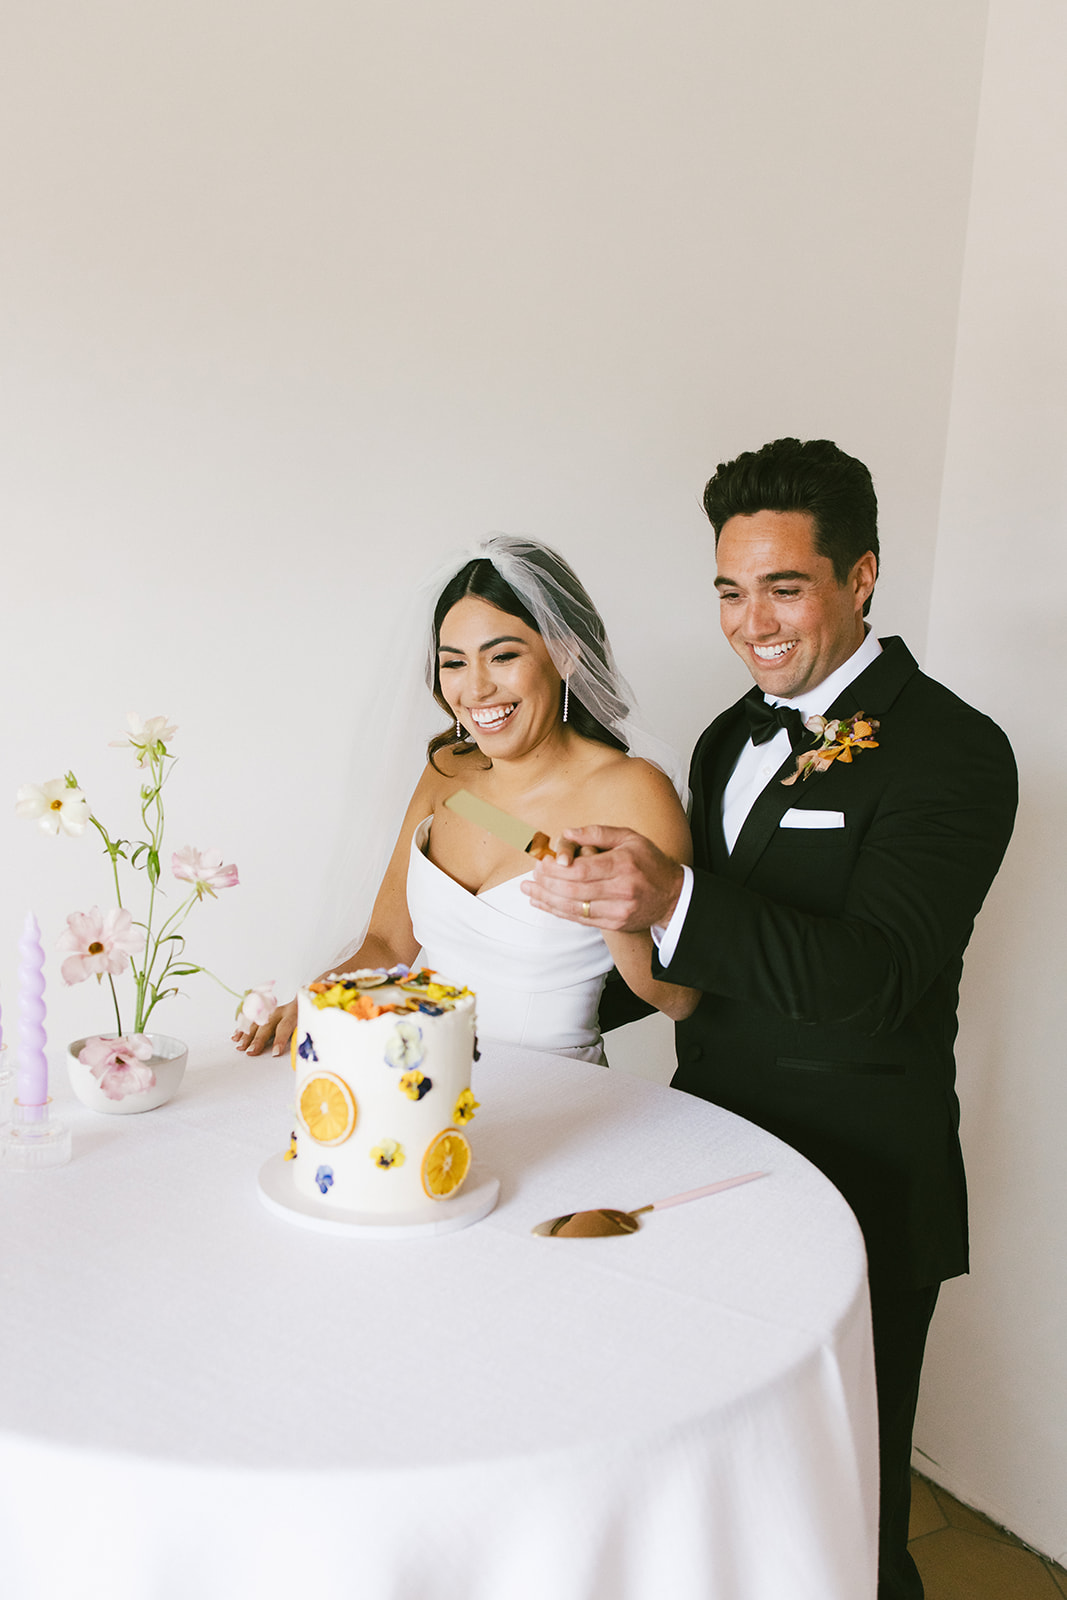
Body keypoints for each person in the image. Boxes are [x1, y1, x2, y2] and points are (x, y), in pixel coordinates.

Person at [523, 438, 1017, 1600]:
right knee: (720, 1483)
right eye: (729, 591)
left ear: (861, 577)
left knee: (844, 1504)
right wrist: (518, 1002)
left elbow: (880, 975)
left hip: (864, 1179)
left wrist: (673, 895)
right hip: (707, 1159)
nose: (751, 623)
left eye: (783, 587)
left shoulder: (956, 751)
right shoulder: (720, 739)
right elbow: (686, 959)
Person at [235, 536, 698, 1063]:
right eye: (454, 663)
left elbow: (679, 997)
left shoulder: (633, 791)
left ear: (566, 654)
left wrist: (611, 911)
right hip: (422, 1078)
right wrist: (315, 1000)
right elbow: (387, 945)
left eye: (502, 656)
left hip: (560, 1094)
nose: (476, 689)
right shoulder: (446, 775)